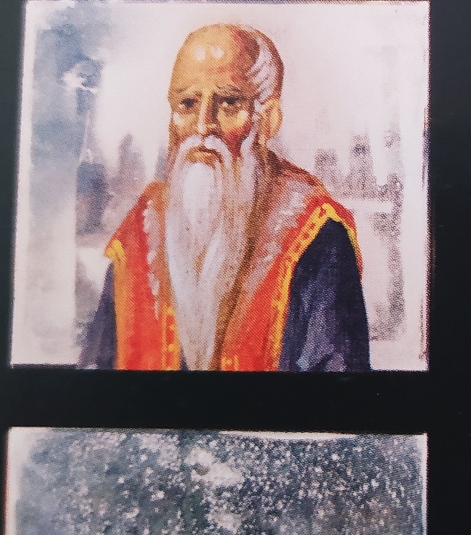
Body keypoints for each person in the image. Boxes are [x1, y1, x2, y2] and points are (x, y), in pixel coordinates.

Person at [79, 23, 370, 371]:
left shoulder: (317, 232)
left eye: (229, 102)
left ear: (268, 120)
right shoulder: (142, 229)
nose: (203, 126)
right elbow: (96, 371)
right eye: (187, 103)